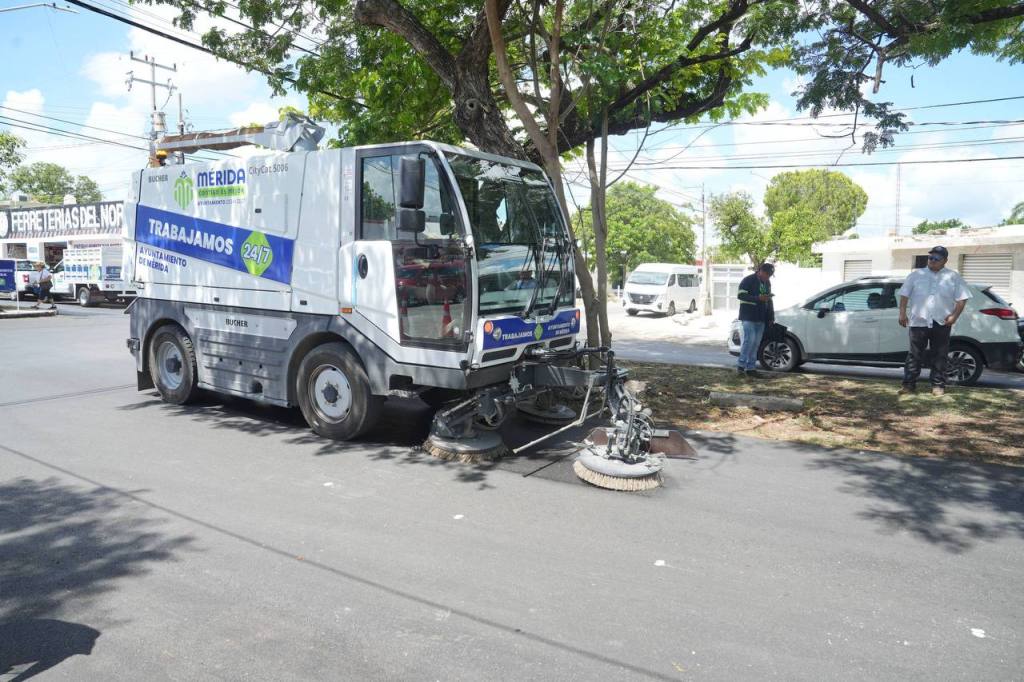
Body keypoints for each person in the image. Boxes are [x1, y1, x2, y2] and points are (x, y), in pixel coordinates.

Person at [897, 245, 971, 396]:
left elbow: (962, 298)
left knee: (940, 355)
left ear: (945, 260)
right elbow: (904, 295)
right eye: (930, 257)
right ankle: (909, 385)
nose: (932, 260)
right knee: (914, 355)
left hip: (941, 322)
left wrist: (954, 316)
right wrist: (902, 314)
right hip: (918, 322)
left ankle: (938, 386)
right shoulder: (916, 275)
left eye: (936, 258)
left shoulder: (953, 277)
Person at [736, 262, 775, 375]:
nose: (767, 277)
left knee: (756, 343)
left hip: (761, 317)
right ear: (760, 271)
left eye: (769, 275)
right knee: (749, 341)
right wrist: (758, 298)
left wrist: (771, 316)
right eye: (766, 274)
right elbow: (741, 295)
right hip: (748, 316)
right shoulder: (748, 280)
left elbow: (769, 301)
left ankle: (751, 368)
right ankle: (741, 366)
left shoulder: (767, 282)